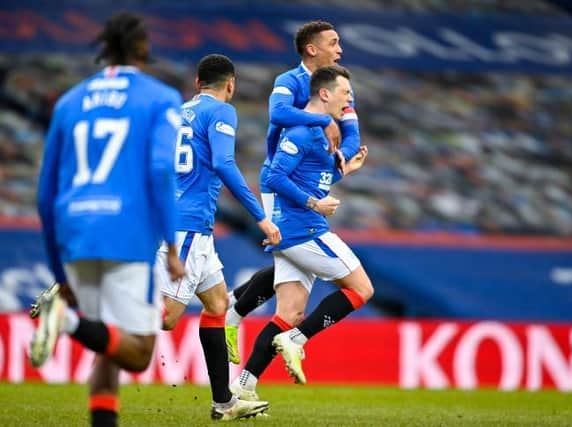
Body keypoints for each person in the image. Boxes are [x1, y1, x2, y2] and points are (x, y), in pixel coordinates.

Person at [30, 12, 184, 427]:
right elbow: (159, 170)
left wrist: (59, 271)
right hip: (126, 231)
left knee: (108, 348)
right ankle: (70, 321)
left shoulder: (68, 102)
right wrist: (171, 243)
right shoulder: (160, 98)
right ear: (142, 49)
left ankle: (73, 323)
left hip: (75, 230)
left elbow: (45, 195)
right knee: (137, 353)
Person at [224, 19, 361, 365]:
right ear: (312, 49)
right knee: (292, 253)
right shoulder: (289, 81)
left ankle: (235, 314)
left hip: (312, 175)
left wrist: (343, 158)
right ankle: (237, 314)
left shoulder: (341, 85)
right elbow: (278, 113)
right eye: (333, 43)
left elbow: (352, 132)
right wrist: (321, 120)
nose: (340, 49)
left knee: (292, 266)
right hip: (280, 178)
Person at [154, 54, 280, 421]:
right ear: (231, 84)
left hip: (189, 225)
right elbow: (225, 164)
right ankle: (79, 306)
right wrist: (260, 217)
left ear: (196, 82)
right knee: (166, 318)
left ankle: (224, 403)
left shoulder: (178, 113)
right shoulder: (222, 111)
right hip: (190, 225)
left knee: (216, 306)